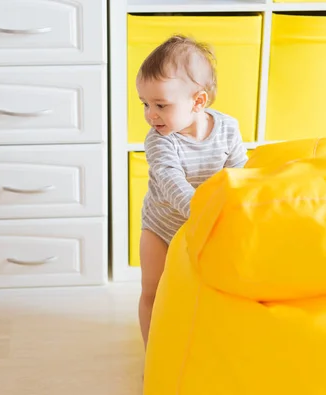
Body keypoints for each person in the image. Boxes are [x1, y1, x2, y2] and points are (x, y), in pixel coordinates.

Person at [137, 35, 249, 348]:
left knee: (203, 289)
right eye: (145, 104)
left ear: (198, 102)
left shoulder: (227, 128)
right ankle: (153, 353)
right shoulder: (159, 140)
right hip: (163, 227)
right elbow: (171, 181)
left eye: (161, 105)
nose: (150, 114)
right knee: (153, 290)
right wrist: (201, 211)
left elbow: (240, 171)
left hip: (205, 225)